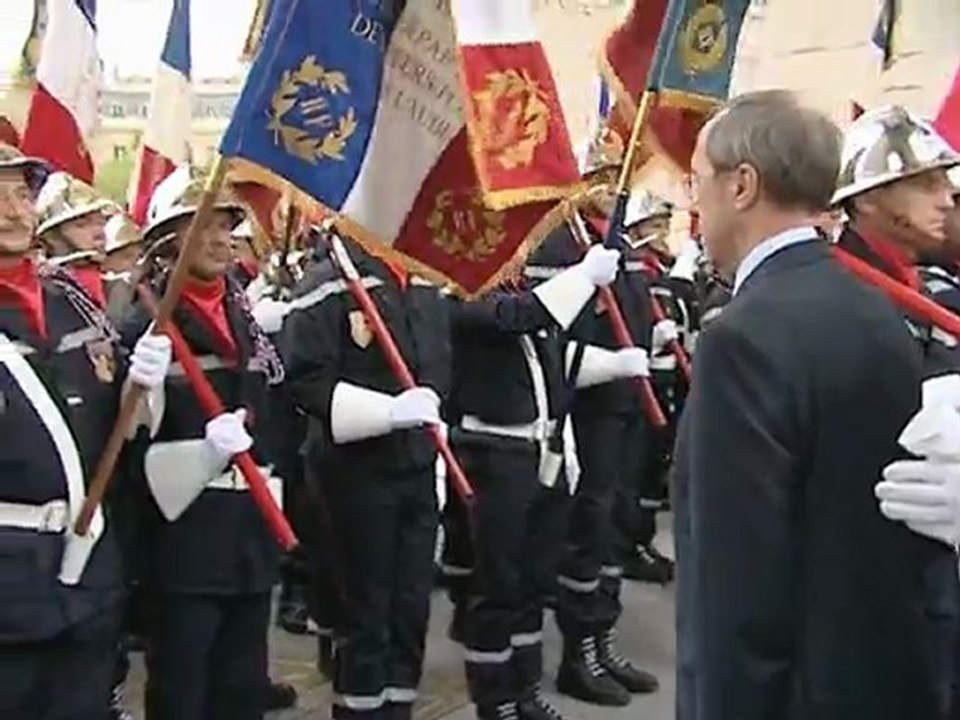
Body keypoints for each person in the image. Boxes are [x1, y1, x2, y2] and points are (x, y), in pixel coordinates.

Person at [675, 89, 959, 720]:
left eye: (698, 182)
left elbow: (735, 596)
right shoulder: (875, 309)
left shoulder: (742, 337)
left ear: (741, 185)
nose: (695, 205)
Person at [0, 143, 171, 719]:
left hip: (88, 571)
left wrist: (139, 390)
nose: (13, 212)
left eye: (22, 194)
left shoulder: (70, 304)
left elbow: (109, 428)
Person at [449, 238, 642, 720]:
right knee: (497, 585)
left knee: (532, 582)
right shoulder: (457, 293)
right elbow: (521, 316)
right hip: (492, 453)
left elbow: (553, 351)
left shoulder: (514, 290)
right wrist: (581, 277)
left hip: (542, 449)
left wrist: (614, 363)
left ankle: (525, 688)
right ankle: (496, 701)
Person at [123, 166, 287, 720]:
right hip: (184, 538)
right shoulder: (142, 323)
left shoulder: (243, 310)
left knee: (241, 689)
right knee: (182, 690)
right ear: (168, 240)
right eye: (202, 227)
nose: (220, 240)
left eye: (226, 227)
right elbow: (126, 440)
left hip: (249, 531)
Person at [282, 228, 450, 720]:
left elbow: (439, 358)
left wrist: (431, 402)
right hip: (356, 473)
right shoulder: (328, 279)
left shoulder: (422, 277)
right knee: (366, 617)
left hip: (418, 463)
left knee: (410, 610)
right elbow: (305, 378)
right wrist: (387, 412)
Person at [523, 190, 659, 708]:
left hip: (624, 408)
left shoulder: (614, 239)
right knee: (588, 527)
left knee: (617, 524)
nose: (608, 185)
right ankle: (579, 652)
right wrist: (606, 363)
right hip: (584, 407)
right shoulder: (557, 242)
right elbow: (544, 335)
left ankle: (603, 641)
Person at [833, 105, 960, 374]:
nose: (947, 201)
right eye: (927, 184)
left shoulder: (935, 285)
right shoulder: (835, 295)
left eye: (945, 183)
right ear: (868, 199)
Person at [35, 171, 115, 308]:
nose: (99, 233)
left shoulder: (103, 278)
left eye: (100, 222)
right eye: (81, 225)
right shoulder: (49, 288)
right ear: (54, 237)